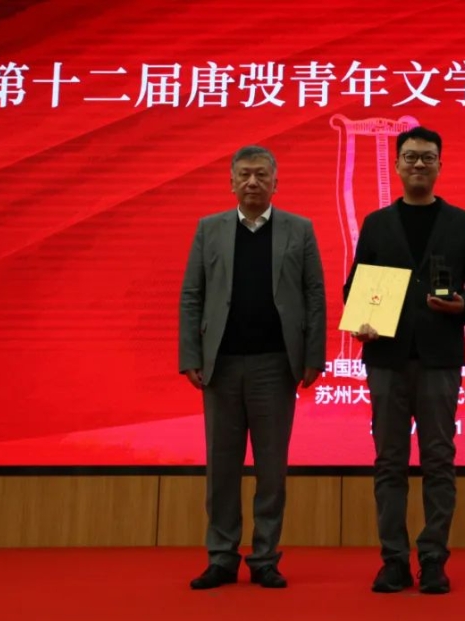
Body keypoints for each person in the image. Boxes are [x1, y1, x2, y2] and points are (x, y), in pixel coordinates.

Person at [344, 126, 465, 595]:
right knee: (389, 462)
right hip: (386, 358)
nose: (418, 164)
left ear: (440, 165)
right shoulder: (377, 223)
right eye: (410, 157)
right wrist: (361, 319)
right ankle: (393, 560)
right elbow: (355, 286)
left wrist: (464, 306)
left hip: (439, 358)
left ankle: (433, 560)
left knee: (438, 460)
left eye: (427, 157)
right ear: (397, 164)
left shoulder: (460, 222)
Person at [179, 145, 326, 590]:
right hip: (221, 366)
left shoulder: (300, 229)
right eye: (244, 175)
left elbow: (315, 296)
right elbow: (192, 295)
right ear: (231, 182)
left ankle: (264, 558)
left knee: (271, 468)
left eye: (261, 175)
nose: (252, 182)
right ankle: (221, 557)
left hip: (275, 365)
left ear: (276, 182)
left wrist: (313, 357)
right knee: (221, 467)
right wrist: (190, 356)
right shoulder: (209, 229)